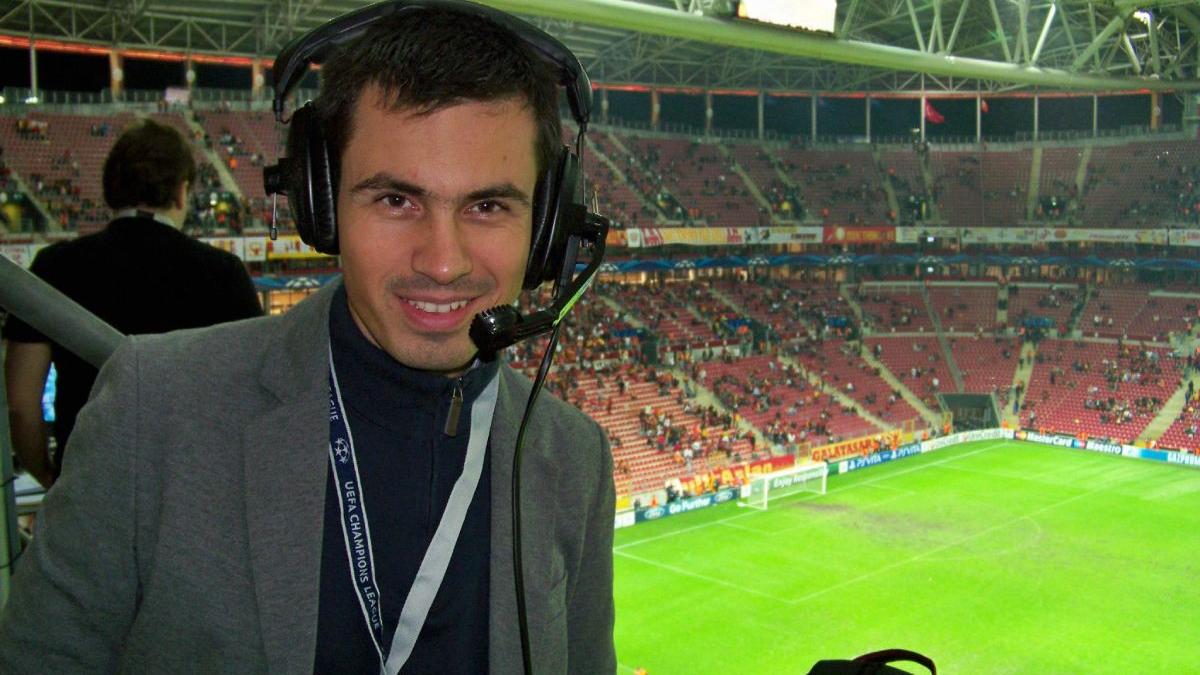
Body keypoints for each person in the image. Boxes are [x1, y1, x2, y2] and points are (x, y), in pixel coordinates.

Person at [0, 3, 616, 674]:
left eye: (488, 205)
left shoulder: (575, 458)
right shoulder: (150, 409)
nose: (443, 262)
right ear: (322, 207)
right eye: (396, 200)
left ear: (548, 228)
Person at [3, 117, 261, 488]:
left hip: (89, 483)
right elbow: (255, 395)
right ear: (181, 193)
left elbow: (21, 404)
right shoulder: (223, 272)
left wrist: (49, 474)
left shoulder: (54, 266)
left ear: (112, 188)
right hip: (192, 486)